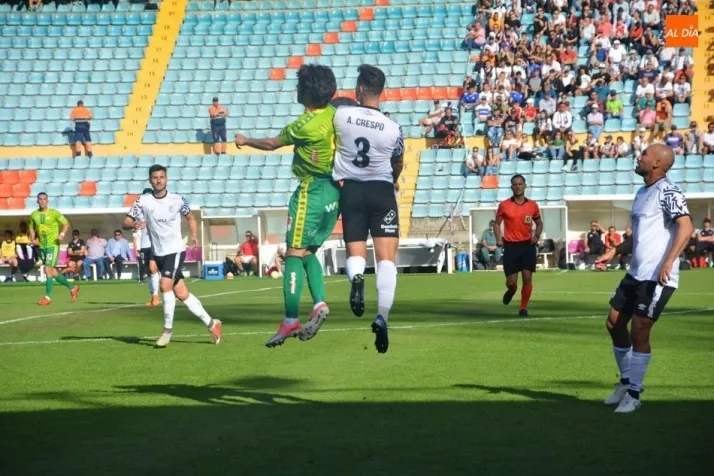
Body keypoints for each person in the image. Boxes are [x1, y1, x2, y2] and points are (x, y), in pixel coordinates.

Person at [234, 64, 339, 348]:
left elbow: (271, 144)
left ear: (307, 92)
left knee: (292, 253)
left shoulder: (304, 125)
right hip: (333, 191)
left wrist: (245, 140)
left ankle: (291, 319)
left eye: (299, 86)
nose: (296, 89)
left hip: (310, 191)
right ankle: (319, 303)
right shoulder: (334, 114)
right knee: (309, 251)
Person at [595, 144, 693, 413]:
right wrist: (615, 251)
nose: (640, 157)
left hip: (657, 276)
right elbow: (639, 236)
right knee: (614, 323)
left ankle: (634, 394)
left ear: (658, 163)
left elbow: (686, 227)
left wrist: (669, 261)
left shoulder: (669, 191)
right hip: (635, 273)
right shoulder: (641, 192)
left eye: (645, 154)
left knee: (639, 329)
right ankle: (626, 382)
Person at [332, 64, 404, 354]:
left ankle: (357, 278)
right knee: (387, 259)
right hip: (381, 190)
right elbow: (398, 161)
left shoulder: (341, 115)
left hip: (350, 189)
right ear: (381, 91)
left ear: (359, 89)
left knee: (356, 253)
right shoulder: (393, 127)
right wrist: (393, 179)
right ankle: (382, 315)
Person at [124, 165, 222, 347]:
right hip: (158, 253)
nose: (158, 180)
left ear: (166, 179)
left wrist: (194, 234)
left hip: (175, 250)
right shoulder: (143, 201)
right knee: (182, 293)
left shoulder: (177, 200)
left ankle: (167, 331)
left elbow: (190, 216)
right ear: (150, 180)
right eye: (155, 177)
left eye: (161, 177)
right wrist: (134, 224)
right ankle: (212, 323)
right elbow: (126, 221)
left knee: (164, 285)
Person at [493, 174, 543, 317]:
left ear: (525, 186)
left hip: (527, 246)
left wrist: (536, 236)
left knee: (527, 278)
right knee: (511, 282)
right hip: (511, 246)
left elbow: (539, 223)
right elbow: (497, 224)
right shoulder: (504, 205)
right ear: (511, 187)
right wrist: (498, 239)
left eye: (520, 184)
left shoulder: (532, 205)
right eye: (515, 184)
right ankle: (511, 290)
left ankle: (523, 308)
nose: (518, 187)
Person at [29, 193, 79, 306]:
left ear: (47, 201)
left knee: (48, 270)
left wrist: (62, 234)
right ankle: (72, 288)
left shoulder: (54, 213)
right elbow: (31, 227)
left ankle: (47, 297)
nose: (42, 201)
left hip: (53, 245)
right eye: (40, 199)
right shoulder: (34, 215)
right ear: (37, 201)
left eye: (44, 199)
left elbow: (66, 223)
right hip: (42, 246)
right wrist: (33, 239)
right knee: (53, 272)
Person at [133, 188, 160, 306]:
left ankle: (156, 296)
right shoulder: (139, 212)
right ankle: (153, 296)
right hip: (144, 245)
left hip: (155, 244)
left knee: (153, 269)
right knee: (149, 271)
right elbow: (134, 227)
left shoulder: (157, 210)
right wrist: (135, 226)